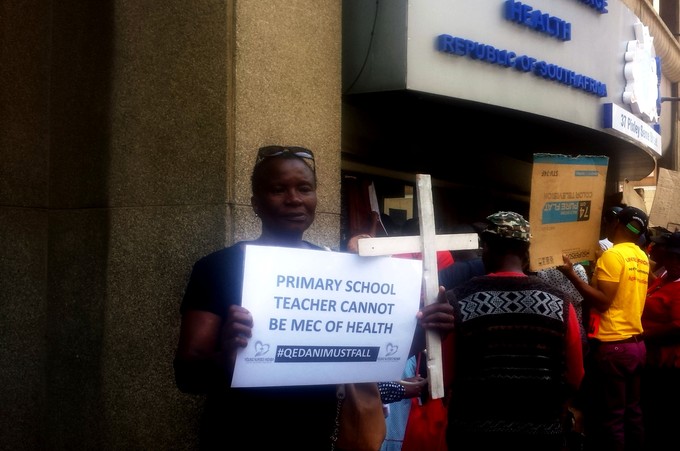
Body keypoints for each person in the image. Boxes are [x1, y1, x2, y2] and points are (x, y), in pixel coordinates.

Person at [173, 145, 456, 450]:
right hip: (239, 434)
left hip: (322, 436)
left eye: (304, 188)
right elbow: (188, 375)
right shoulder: (218, 267)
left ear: (316, 197)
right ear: (256, 203)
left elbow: (368, 355)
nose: (294, 199)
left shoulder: (337, 268)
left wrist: (427, 328)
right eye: (278, 189)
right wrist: (229, 358)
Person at [443, 211, 585, 451]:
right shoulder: (561, 304)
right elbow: (576, 376)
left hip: (473, 435)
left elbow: (446, 376)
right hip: (541, 435)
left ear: (485, 248)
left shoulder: (457, 300)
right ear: (527, 251)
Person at [560, 205, 650, 451]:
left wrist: (571, 274)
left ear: (617, 224)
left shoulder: (613, 256)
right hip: (636, 345)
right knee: (633, 412)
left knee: (612, 417)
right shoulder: (640, 256)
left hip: (614, 346)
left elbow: (602, 300)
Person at [640, 231, 680, 450]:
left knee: (660, 416)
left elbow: (678, 326)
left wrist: (642, 335)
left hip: (668, 365)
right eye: (672, 256)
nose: (675, 262)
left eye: (679, 258)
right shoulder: (666, 277)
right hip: (652, 359)